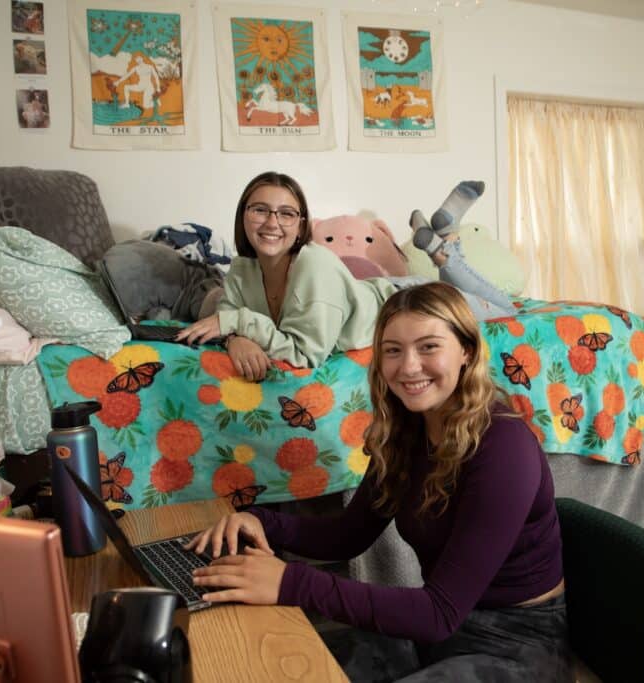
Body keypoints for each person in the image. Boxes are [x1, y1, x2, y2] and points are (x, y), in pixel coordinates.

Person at [187, 282, 570, 681]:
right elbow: (346, 536)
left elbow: (438, 613)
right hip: (436, 631)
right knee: (278, 666)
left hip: (518, 645)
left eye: (428, 346)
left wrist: (289, 581)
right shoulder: (406, 432)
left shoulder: (504, 447)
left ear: (466, 351)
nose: (408, 367)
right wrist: (262, 522)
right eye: (393, 350)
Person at [177, 172, 515, 380]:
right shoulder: (241, 269)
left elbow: (306, 355)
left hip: (413, 304)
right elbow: (228, 320)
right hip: (381, 290)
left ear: (301, 226)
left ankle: (447, 250)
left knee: (508, 308)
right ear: (243, 217)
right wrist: (236, 337)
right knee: (496, 301)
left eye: (286, 213)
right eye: (259, 210)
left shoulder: (314, 265)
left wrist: (237, 324)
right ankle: (447, 241)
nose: (271, 222)